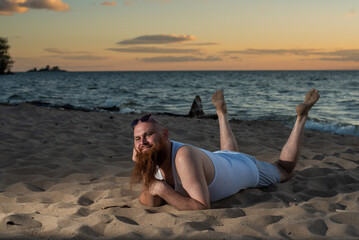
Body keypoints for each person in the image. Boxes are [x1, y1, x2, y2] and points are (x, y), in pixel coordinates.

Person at [131, 89, 320, 211]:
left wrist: (160, 188)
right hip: (221, 159)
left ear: (165, 135)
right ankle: (221, 113)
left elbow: (201, 206)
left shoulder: (183, 156)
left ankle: (301, 118)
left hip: (247, 168)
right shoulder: (150, 155)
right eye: (138, 139)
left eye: (148, 135)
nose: (143, 142)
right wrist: (150, 180)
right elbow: (151, 202)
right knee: (228, 153)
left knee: (284, 169)